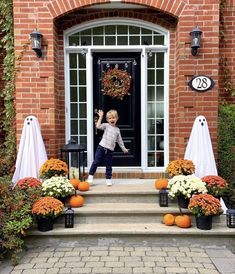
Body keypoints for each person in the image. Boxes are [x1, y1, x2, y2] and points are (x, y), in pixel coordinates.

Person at [87, 109, 129, 186]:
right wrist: (100, 117)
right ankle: (90, 175)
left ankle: (108, 179)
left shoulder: (117, 130)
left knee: (108, 164)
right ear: (107, 119)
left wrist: (124, 149)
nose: (111, 119)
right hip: (101, 147)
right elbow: (98, 126)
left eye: (113, 118)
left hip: (110, 150)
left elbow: (120, 141)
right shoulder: (106, 125)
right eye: (109, 118)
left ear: (117, 118)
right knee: (96, 161)